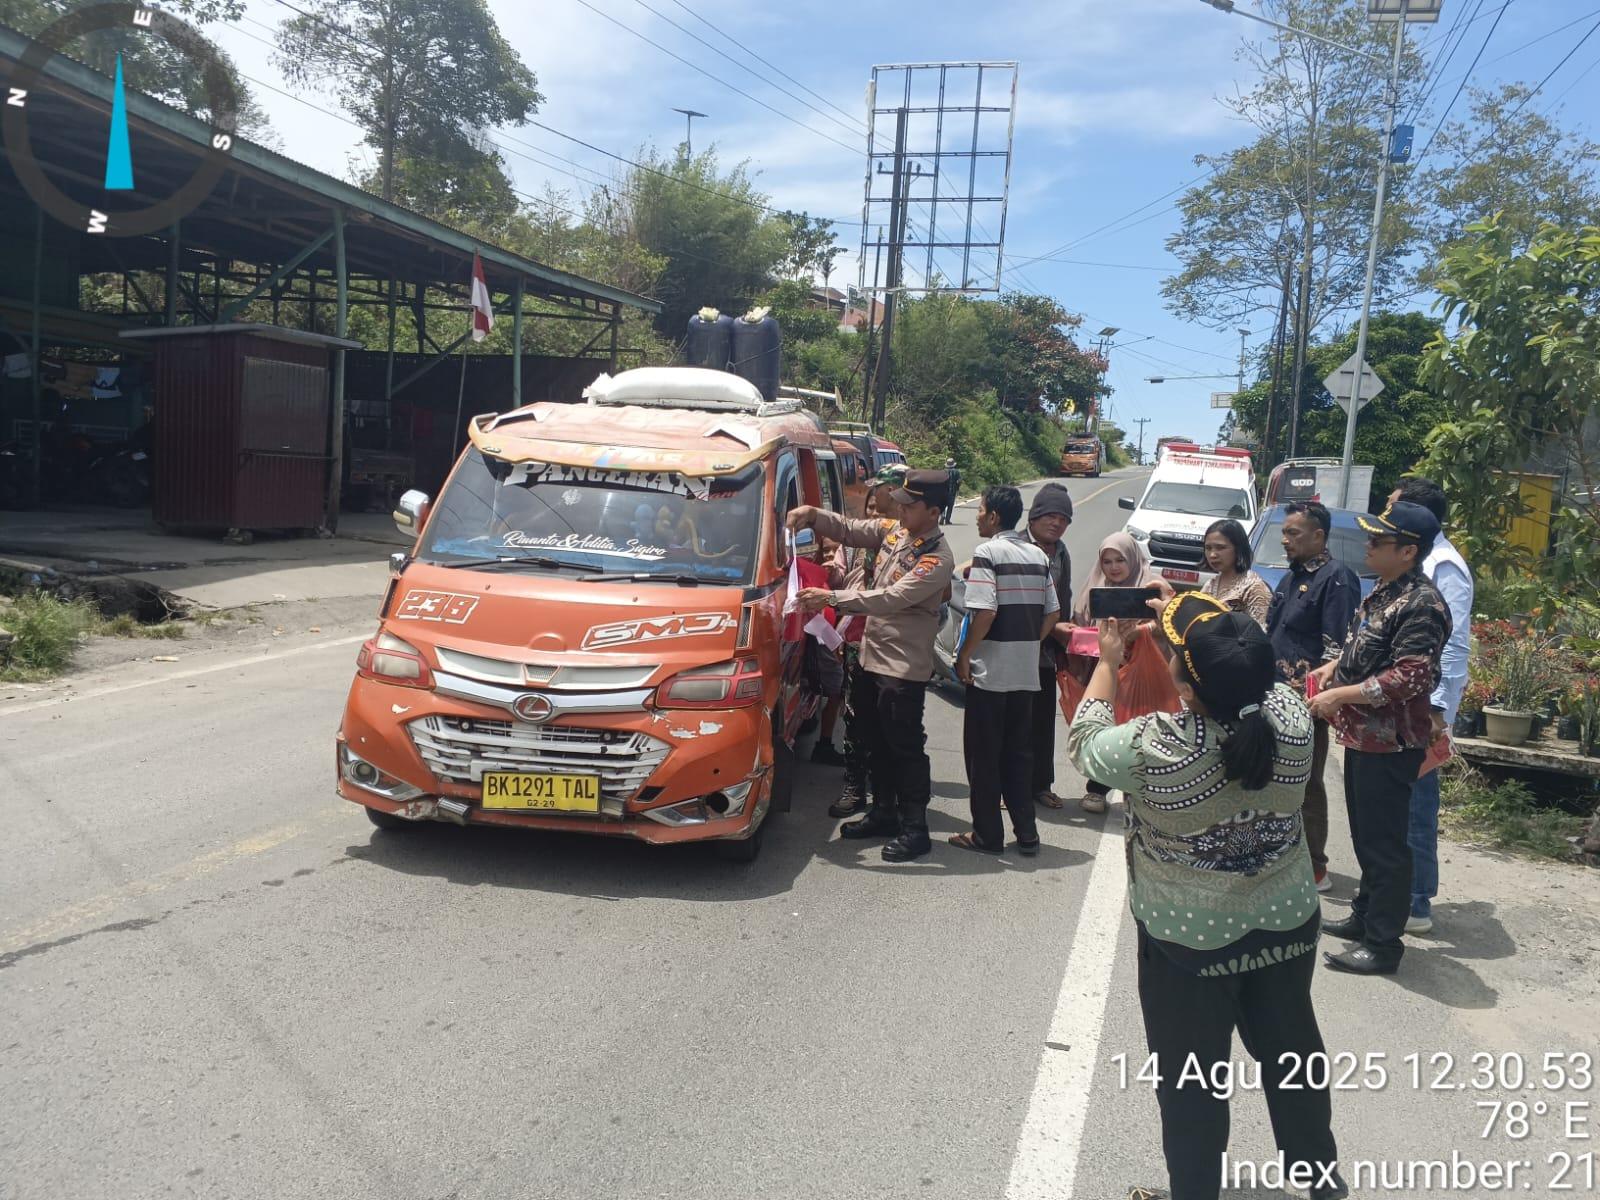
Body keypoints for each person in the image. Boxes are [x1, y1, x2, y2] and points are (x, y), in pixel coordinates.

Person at [1068, 591, 1346, 1200]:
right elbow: (1247, 679)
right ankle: (1322, 1183)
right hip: (1285, 924)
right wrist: (1202, 622)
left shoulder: (1153, 747)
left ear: (1185, 687)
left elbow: (1085, 742)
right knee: (1293, 1059)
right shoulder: (1293, 721)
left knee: (1191, 1081)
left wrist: (1110, 662)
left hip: (1187, 941)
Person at [1309, 502, 1451, 977]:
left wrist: (1340, 694)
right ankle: (1365, 916)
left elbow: (1408, 678)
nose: (1367, 546)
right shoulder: (1387, 590)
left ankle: (1384, 945)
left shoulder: (1423, 604)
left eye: (1378, 541)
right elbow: (1364, 647)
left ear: (1408, 551)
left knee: (1385, 844)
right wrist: (1335, 668)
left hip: (1391, 740)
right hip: (1365, 735)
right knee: (1368, 835)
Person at [791, 470, 955, 862]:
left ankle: (915, 827)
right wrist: (813, 514)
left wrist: (832, 597)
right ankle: (883, 811)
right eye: (899, 500)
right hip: (870, 656)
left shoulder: (937, 558)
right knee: (873, 739)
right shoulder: (895, 531)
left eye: (909, 504)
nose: (899, 507)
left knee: (905, 748)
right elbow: (849, 529)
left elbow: (891, 597)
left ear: (933, 512)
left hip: (901, 667)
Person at [949, 485, 1058, 856]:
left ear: (994, 516)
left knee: (984, 757)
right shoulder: (1038, 556)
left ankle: (987, 836)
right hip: (1025, 674)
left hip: (991, 674)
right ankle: (1027, 834)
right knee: (1018, 755)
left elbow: (985, 611)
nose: (977, 516)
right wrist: (1028, 645)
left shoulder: (987, 552)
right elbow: (1053, 613)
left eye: (980, 510)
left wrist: (966, 654)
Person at [1388, 478, 1474, 936]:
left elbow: (1455, 643)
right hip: (1404, 704)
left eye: (1393, 507)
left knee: (1417, 804)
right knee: (1397, 802)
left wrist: (1438, 712)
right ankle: (1398, 893)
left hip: (1425, 708)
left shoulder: (1445, 566)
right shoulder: (1420, 562)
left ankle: (1417, 901)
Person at [1264, 502, 1361, 894]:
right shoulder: (1291, 578)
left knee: (1305, 782)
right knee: (1273, 780)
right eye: (1284, 533)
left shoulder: (1336, 579)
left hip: (1305, 704)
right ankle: (1279, 856)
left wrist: (1318, 701)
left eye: (1294, 534)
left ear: (1319, 536)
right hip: (1273, 696)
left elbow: (1337, 649)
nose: (1286, 540)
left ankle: (1314, 866)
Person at [1069, 531, 1164, 814]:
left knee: (1143, 726)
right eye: (1107, 561)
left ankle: (1143, 787)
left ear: (1132, 558)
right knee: (1105, 723)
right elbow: (1081, 620)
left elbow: (1165, 623)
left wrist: (1139, 631)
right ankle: (1097, 788)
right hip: (1105, 667)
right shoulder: (1095, 586)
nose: (1113, 567)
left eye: (1120, 559)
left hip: (1144, 667)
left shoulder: (1151, 586)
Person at [819, 480, 895, 814]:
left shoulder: (908, 548)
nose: (876, 514)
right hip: (853, 637)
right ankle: (854, 785)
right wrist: (825, 573)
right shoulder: (850, 547)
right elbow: (836, 576)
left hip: (893, 643)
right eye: (871, 508)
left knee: (890, 717)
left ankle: (887, 791)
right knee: (853, 713)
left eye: (884, 508)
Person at [1024, 483, 1075, 811]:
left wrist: (1060, 642)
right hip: (1013, 649)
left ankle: (1040, 785)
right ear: (1034, 516)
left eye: (1064, 518)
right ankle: (1004, 786)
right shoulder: (1013, 545)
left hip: (1045, 654)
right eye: (1050, 516)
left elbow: (1064, 597)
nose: (1056, 523)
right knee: (1013, 723)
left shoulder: (1062, 552)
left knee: (1042, 722)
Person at [1200, 518, 1272, 628]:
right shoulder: (1210, 585)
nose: (1212, 555)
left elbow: (1261, 633)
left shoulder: (1253, 587)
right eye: (1208, 548)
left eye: (1220, 548)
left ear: (1238, 548)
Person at [941, 456, 962, 524]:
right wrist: (957, 488)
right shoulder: (957, 472)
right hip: (952, 492)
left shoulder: (943, 471)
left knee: (942, 505)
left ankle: (942, 515)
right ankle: (947, 520)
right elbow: (959, 481)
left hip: (943, 491)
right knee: (950, 506)